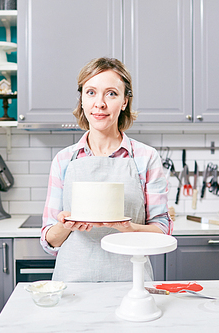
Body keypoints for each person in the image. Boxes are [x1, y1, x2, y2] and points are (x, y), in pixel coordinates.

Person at [41, 57, 173, 282]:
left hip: (132, 284)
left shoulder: (145, 158)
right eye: (91, 92)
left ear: (124, 101)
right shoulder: (64, 160)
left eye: (111, 93)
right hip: (73, 285)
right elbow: (49, 241)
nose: (99, 103)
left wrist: (128, 227)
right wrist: (65, 226)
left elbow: (162, 230)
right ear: (82, 100)